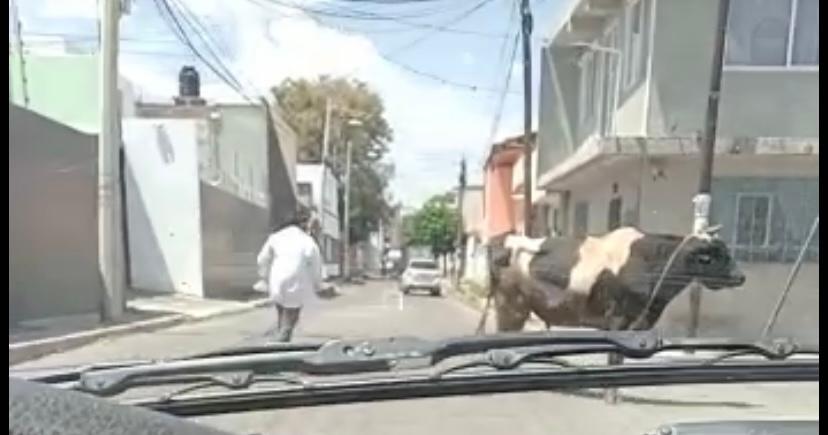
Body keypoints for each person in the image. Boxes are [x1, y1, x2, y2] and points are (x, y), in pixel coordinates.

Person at [256, 206, 323, 342]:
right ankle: (284, 336)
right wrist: (317, 284)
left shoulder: (276, 236)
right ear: (304, 223)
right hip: (297, 279)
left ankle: (281, 335)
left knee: (281, 308)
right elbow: (316, 264)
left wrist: (263, 276)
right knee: (293, 312)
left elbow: (261, 259)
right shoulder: (307, 240)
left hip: (277, 278)